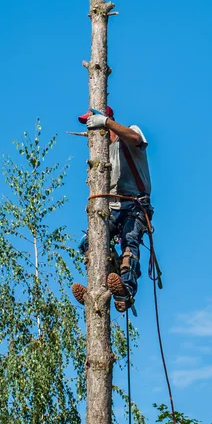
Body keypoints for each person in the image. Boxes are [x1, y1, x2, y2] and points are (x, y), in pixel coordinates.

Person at [72, 106, 153, 313]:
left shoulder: (128, 135)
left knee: (129, 241)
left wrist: (106, 123)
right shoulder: (102, 156)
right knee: (89, 241)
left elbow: (136, 138)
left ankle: (125, 289)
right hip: (114, 208)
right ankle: (99, 287)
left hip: (134, 204)